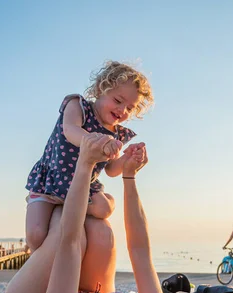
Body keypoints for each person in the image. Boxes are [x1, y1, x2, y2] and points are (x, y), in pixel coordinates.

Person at [1, 135, 207, 293]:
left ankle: (48, 195)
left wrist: (85, 166)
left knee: (67, 220)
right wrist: (129, 177)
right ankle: (77, 197)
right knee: (101, 231)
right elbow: (140, 252)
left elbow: (70, 243)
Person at [24, 61, 154, 252]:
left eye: (129, 108)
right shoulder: (78, 107)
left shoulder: (116, 134)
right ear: (101, 89)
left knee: (104, 209)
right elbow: (71, 131)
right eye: (118, 101)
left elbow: (110, 169)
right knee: (35, 236)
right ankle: (38, 269)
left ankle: (100, 200)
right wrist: (100, 141)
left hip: (84, 189)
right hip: (51, 182)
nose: (122, 111)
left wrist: (127, 159)